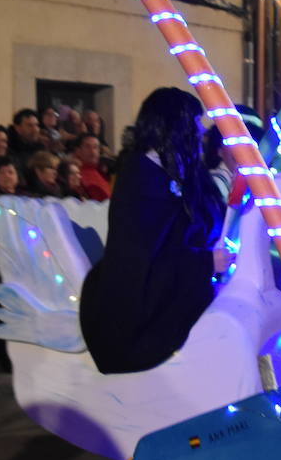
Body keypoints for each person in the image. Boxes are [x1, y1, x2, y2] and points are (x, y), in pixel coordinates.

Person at [79, 87, 225, 374]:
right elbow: (141, 256)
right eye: (194, 123)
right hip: (140, 303)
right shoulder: (141, 178)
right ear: (174, 125)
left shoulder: (172, 170)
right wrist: (204, 263)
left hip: (174, 277)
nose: (200, 132)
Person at [72, 133, 112, 201]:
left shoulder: (102, 173)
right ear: (78, 151)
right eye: (87, 147)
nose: (93, 151)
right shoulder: (76, 176)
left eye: (95, 147)